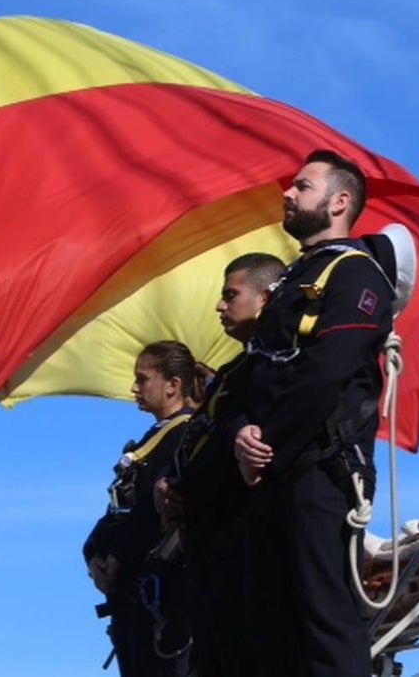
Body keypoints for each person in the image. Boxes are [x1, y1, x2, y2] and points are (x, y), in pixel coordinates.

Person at [234, 149, 396, 677]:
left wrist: (264, 444)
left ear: (339, 202)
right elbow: (251, 374)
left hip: (320, 470)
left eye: (303, 187)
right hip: (274, 471)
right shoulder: (291, 282)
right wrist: (241, 433)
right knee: (270, 627)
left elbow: (328, 370)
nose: (288, 193)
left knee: (326, 623)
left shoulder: (356, 276)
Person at [153, 251, 286, 677]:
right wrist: (175, 489)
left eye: (231, 295)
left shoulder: (276, 365)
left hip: (245, 543)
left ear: (266, 298)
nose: (219, 305)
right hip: (208, 548)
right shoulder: (231, 373)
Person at [83, 340, 202, 677]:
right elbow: (117, 510)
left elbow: (153, 506)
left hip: (166, 598)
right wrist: (93, 556)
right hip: (132, 599)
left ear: (173, 385)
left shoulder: (187, 436)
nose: (134, 387)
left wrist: (117, 558)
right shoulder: (152, 439)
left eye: (143, 378)